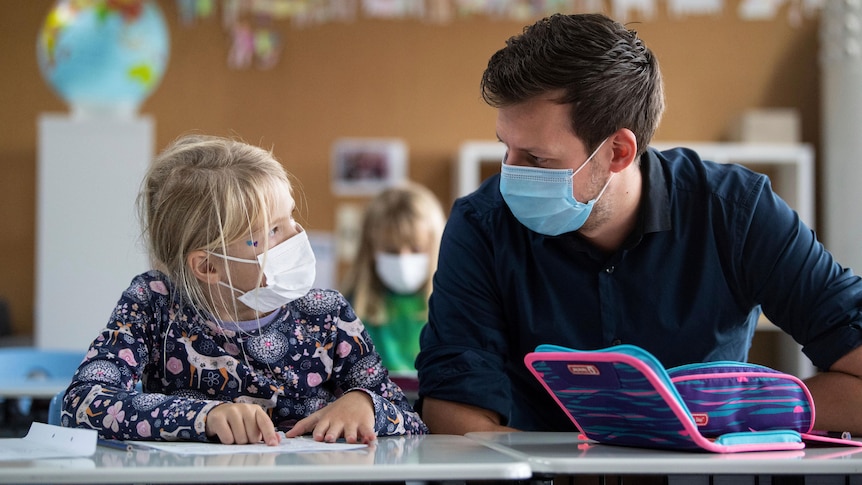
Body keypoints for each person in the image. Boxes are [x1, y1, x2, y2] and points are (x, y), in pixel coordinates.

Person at [415, 13, 862, 435]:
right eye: (505, 148)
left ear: (618, 153)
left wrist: (739, 407)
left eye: (536, 158)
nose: (510, 174)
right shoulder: (482, 224)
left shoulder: (737, 213)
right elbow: (453, 409)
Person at [61, 134, 427, 445]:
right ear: (207, 266)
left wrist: (365, 405)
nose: (296, 236)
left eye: (290, 218)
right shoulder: (154, 303)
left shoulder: (327, 315)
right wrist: (205, 417)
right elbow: (82, 402)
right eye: (269, 232)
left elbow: (412, 424)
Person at [341, 183, 445, 378]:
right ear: (370, 249)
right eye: (391, 251)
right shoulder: (348, 312)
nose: (403, 259)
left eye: (415, 249)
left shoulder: (453, 310)